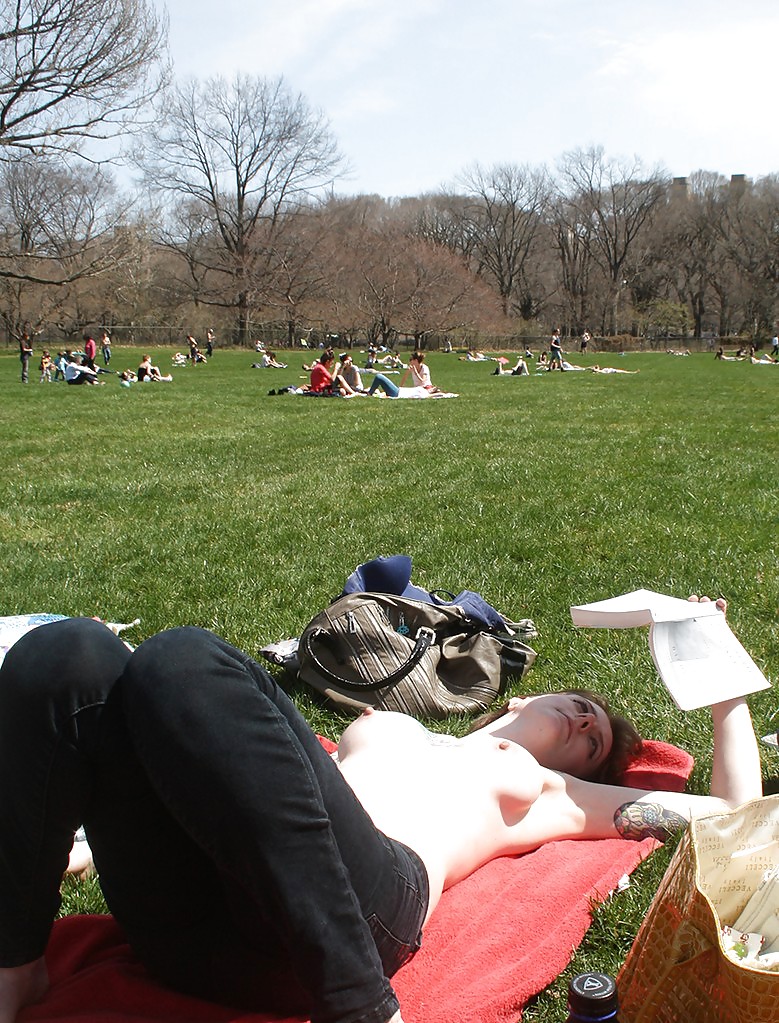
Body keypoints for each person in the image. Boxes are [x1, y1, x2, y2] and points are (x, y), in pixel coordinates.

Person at [0, 596, 762, 1023]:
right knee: (69, 652)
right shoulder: (390, 726)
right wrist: (85, 836)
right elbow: (249, 779)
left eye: (592, 743)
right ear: (521, 697)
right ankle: (17, 976)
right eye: (581, 707)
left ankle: (364, 1012)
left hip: (345, 928)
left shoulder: (552, 791)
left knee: (180, 656)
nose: (586, 725)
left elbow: (733, 809)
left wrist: (717, 671)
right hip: (193, 922)